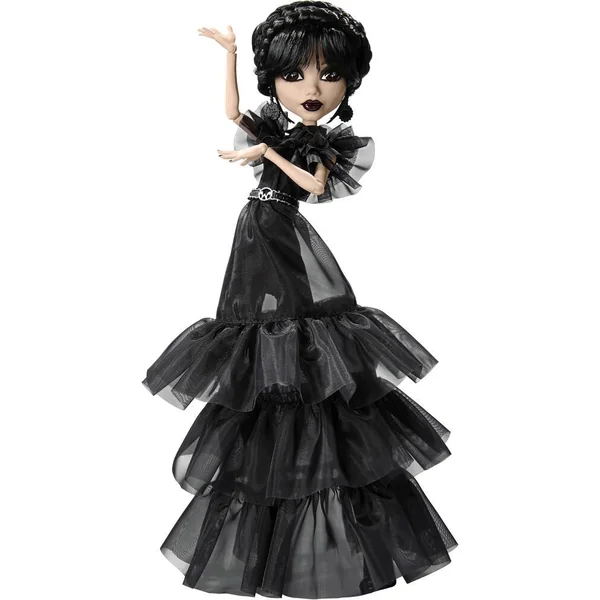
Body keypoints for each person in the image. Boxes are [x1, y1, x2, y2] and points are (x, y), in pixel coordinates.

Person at [142, 2, 457, 596]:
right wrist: (230, 53)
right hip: (252, 233)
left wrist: (266, 156)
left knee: (296, 334)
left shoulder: (315, 145)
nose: (312, 89)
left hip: (283, 230)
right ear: (275, 81)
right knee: (255, 336)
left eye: (328, 75)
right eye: (295, 75)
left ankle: (321, 494)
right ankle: (277, 410)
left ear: (348, 83)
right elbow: (231, 111)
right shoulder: (275, 129)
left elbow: (312, 186)